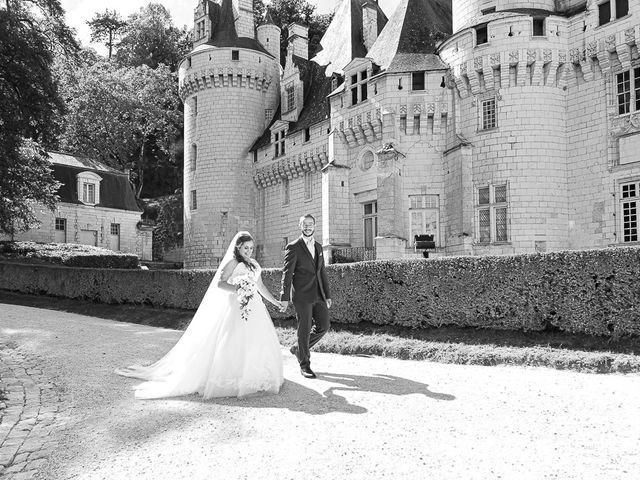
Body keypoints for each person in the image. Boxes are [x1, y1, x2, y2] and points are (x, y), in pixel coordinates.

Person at [116, 231, 284, 399]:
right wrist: (238, 289)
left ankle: (257, 376)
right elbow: (220, 283)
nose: (249, 251)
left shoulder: (254, 264)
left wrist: (275, 302)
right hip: (235, 307)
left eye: (251, 248)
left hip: (255, 308)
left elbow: (260, 286)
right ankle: (233, 378)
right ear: (238, 247)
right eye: (246, 248)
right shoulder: (232, 263)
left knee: (256, 340)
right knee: (234, 340)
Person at [279, 214, 332, 379]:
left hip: (319, 295)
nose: (308, 227)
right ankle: (304, 364)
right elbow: (287, 274)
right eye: (305, 224)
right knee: (304, 329)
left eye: (311, 224)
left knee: (324, 326)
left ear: (315, 226)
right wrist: (284, 297)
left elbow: (321, 272)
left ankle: (298, 349)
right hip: (302, 295)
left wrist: (327, 295)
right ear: (300, 226)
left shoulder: (318, 246)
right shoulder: (293, 247)